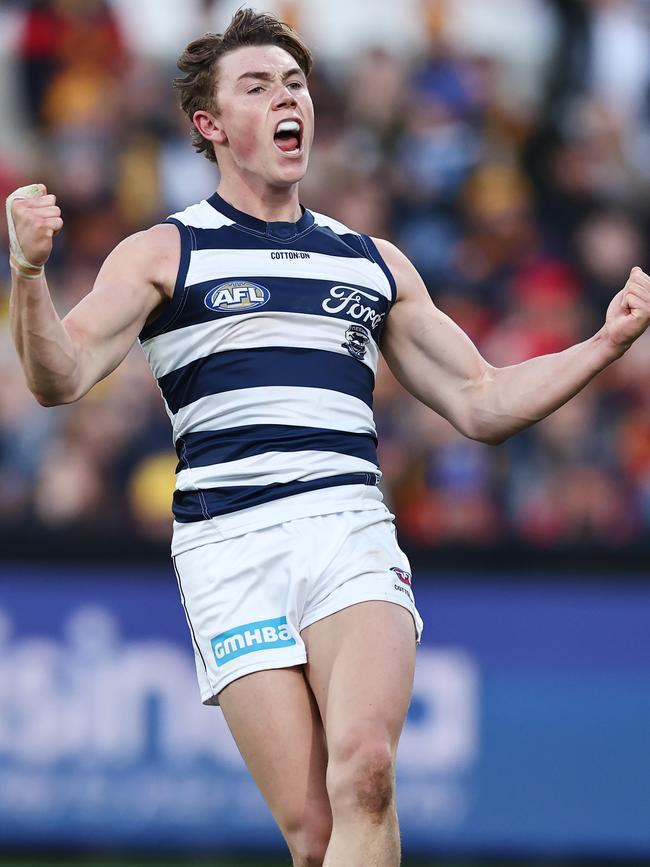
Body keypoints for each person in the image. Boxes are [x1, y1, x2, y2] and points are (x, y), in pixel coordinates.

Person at [6, 8, 650, 867]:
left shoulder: (370, 261)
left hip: (347, 528)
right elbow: (59, 377)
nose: (288, 98)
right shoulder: (165, 252)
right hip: (227, 547)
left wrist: (604, 342)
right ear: (211, 126)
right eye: (259, 85)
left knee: (369, 770)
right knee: (314, 835)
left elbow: (483, 399)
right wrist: (27, 272)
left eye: (297, 83)